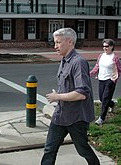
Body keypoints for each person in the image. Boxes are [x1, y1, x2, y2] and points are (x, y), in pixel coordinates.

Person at [41, 28, 100, 165]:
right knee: (49, 149)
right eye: (54, 42)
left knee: (83, 150)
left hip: (76, 118)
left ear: (70, 42)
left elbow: (81, 94)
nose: (55, 46)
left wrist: (58, 96)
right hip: (60, 115)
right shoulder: (64, 60)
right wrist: (60, 95)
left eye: (58, 42)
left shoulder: (78, 62)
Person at [90, 39, 121, 125]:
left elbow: (119, 69)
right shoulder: (101, 56)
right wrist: (90, 74)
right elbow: (97, 66)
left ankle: (101, 118)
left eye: (106, 46)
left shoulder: (115, 58)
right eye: (103, 46)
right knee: (101, 98)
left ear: (112, 47)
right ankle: (112, 104)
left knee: (105, 99)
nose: (104, 48)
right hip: (101, 79)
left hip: (110, 80)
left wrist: (114, 78)